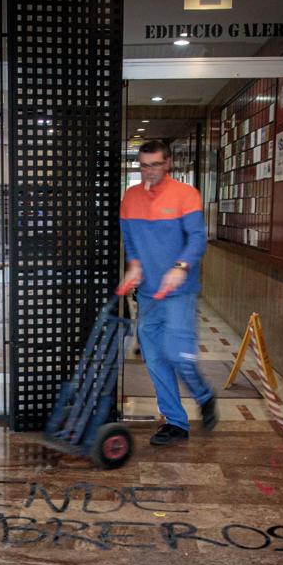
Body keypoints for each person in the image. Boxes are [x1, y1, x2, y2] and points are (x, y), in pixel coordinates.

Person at [116, 140, 217, 446]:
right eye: (144, 165)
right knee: (154, 358)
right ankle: (175, 422)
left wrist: (180, 266)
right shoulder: (130, 198)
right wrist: (134, 265)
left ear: (168, 163)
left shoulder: (186, 195)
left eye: (156, 164)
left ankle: (204, 395)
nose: (149, 171)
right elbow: (130, 240)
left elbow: (197, 238)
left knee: (177, 353)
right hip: (148, 294)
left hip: (179, 292)